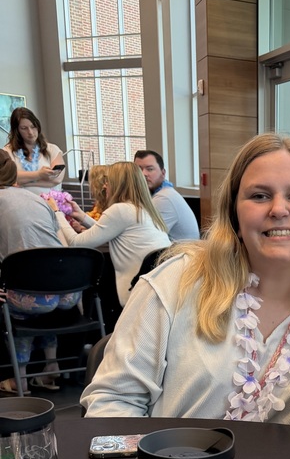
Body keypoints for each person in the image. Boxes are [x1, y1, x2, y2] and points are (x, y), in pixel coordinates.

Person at [81, 133, 290, 420]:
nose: (278, 209)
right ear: (234, 214)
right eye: (260, 196)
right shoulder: (177, 282)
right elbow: (113, 402)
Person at [0, 149, 77, 393]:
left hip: (30, 295)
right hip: (67, 291)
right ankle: (50, 369)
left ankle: (20, 379)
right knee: (40, 299)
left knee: (21, 305)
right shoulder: (37, 199)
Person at [48, 161, 171, 306]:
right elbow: (111, 231)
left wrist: (56, 213)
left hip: (136, 292)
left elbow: (75, 243)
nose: (104, 186)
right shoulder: (144, 209)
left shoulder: (120, 210)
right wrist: (82, 216)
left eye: (108, 182)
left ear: (119, 185)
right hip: (159, 287)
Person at [134, 149, 200, 242]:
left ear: (163, 173)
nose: (143, 174)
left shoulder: (163, 198)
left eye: (150, 169)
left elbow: (145, 238)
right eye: (138, 169)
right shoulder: (158, 193)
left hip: (180, 254)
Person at [3, 107, 65, 190]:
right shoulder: (7, 152)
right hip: (20, 201)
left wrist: (25, 184)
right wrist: (39, 175)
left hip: (49, 201)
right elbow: (9, 177)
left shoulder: (52, 149)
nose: (30, 132)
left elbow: (57, 179)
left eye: (33, 127)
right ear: (16, 130)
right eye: (24, 128)